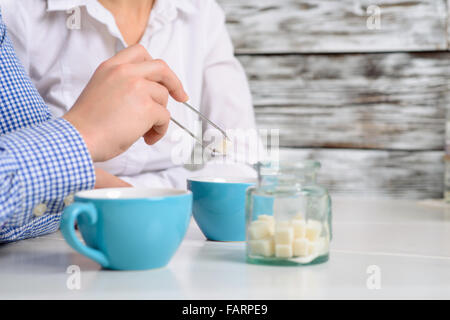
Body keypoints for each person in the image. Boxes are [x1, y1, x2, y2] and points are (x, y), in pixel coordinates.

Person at [0, 0, 258, 189]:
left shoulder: (201, 14)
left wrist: (118, 192)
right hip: (52, 241)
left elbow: (239, 160)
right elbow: (12, 167)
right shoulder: (16, 14)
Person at [0, 9, 188, 242]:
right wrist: (80, 136)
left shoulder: (201, 12)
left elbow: (26, 192)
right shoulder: (18, 12)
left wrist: (72, 181)